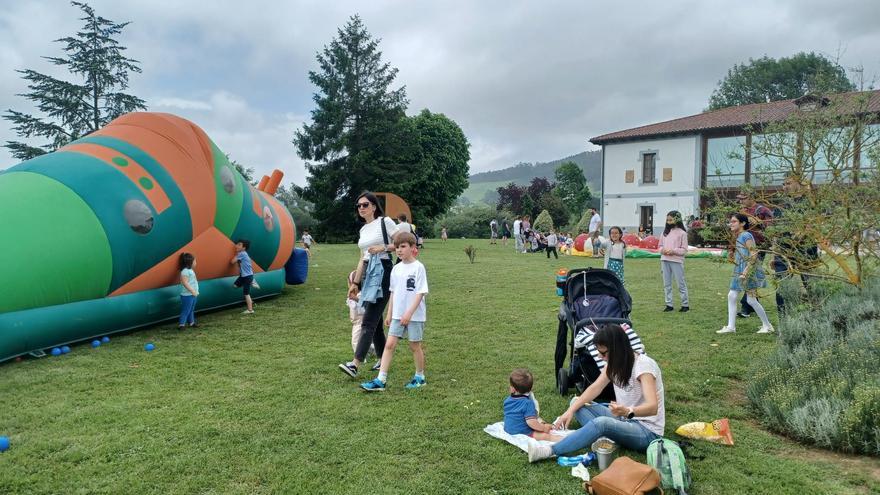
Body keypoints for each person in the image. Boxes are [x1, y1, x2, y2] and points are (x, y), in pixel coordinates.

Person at [527, 324, 665, 462]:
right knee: (576, 403)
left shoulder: (644, 366)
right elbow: (595, 388)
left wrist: (628, 411)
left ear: (617, 350)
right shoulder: (613, 364)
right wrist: (569, 412)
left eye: (603, 353)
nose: (600, 356)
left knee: (602, 423)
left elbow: (652, 407)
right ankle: (606, 436)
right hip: (624, 419)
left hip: (647, 431)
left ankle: (550, 451)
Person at [339, 192, 399, 378]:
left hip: (383, 270)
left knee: (369, 319)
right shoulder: (363, 230)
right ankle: (382, 357)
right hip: (368, 272)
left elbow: (403, 243)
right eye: (358, 206)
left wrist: (383, 247)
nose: (361, 208)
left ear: (374, 206)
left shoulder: (385, 222)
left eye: (365, 204)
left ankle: (355, 364)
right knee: (375, 319)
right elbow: (362, 258)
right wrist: (355, 282)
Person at [360, 232, 429, 391]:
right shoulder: (396, 269)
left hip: (414, 315)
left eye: (403, 246)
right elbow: (393, 292)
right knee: (389, 345)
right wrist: (390, 313)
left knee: (414, 346)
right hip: (397, 314)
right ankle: (380, 380)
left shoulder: (418, 267)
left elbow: (420, 293)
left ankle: (420, 377)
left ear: (413, 248)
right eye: (397, 247)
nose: (399, 250)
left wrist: (409, 314)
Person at [717, 213, 775, 334]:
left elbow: (754, 254)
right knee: (732, 295)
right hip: (740, 270)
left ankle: (767, 325)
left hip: (748, 271)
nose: (731, 224)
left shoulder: (746, 235)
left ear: (742, 223)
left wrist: (745, 272)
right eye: (730, 221)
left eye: (734, 221)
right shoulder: (739, 236)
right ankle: (731, 327)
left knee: (751, 300)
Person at [771, 174, 819, 316]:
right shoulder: (781, 207)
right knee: (782, 285)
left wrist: (798, 236)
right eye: (783, 184)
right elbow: (776, 232)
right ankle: (784, 320)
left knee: (810, 283)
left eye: (788, 183)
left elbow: (812, 225)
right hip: (783, 250)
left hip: (805, 249)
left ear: (799, 183)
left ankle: (818, 314)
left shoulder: (809, 203)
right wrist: (774, 254)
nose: (785, 187)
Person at [736, 191, 773, 319]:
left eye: (743, 198)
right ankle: (753, 303)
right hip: (743, 246)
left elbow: (770, 227)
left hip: (758, 247)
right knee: (748, 274)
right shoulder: (741, 210)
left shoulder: (762, 210)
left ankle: (745, 306)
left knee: (749, 274)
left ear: (751, 197)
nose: (741, 201)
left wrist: (756, 221)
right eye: (739, 199)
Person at [503, 368, 563, 442]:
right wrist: (543, 428)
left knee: (539, 421)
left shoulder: (507, 400)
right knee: (546, 436)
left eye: (510, 385)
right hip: (521, 432)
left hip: (508, 429)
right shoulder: (527, 403)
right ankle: (565, 440)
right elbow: (531, 422)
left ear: (513, 389)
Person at [658, 211, 689, 312]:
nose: (669, 221)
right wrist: (663, 250)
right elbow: (660, 246)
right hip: (665, 260)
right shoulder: (664, 233)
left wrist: (673, 251)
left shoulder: (682, 233)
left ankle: (685, 304)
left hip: (676, 261)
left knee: (680, 283)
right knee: (667, 283)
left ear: (677, 219)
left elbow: (684, 250)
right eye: (667, 220)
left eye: (671, 219)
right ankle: (669, 304)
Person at [231, 239, 257, 314]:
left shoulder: (242, 254)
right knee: (235, 286)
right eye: (237, 244)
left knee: (246, 293)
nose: (236, 246)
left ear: (244, 248)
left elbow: (232, 262)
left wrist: (235, 256)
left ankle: (250, 310)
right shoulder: (243, 253)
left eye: (239, 245)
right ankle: (251, 283)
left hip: (247, 277)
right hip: (244, 276)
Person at [178, 252, 199, 329]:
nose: (196, 263)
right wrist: (192, 291)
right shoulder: (185, 271)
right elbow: (185, 283)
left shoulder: (191, 270)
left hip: (193, 294)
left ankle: (191, 322)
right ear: (190, 262)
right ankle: (181, 324)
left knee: (191, 309)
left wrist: (195, 291)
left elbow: (194, 281)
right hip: (187, 295)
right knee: (186, 310)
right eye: (195, 261)